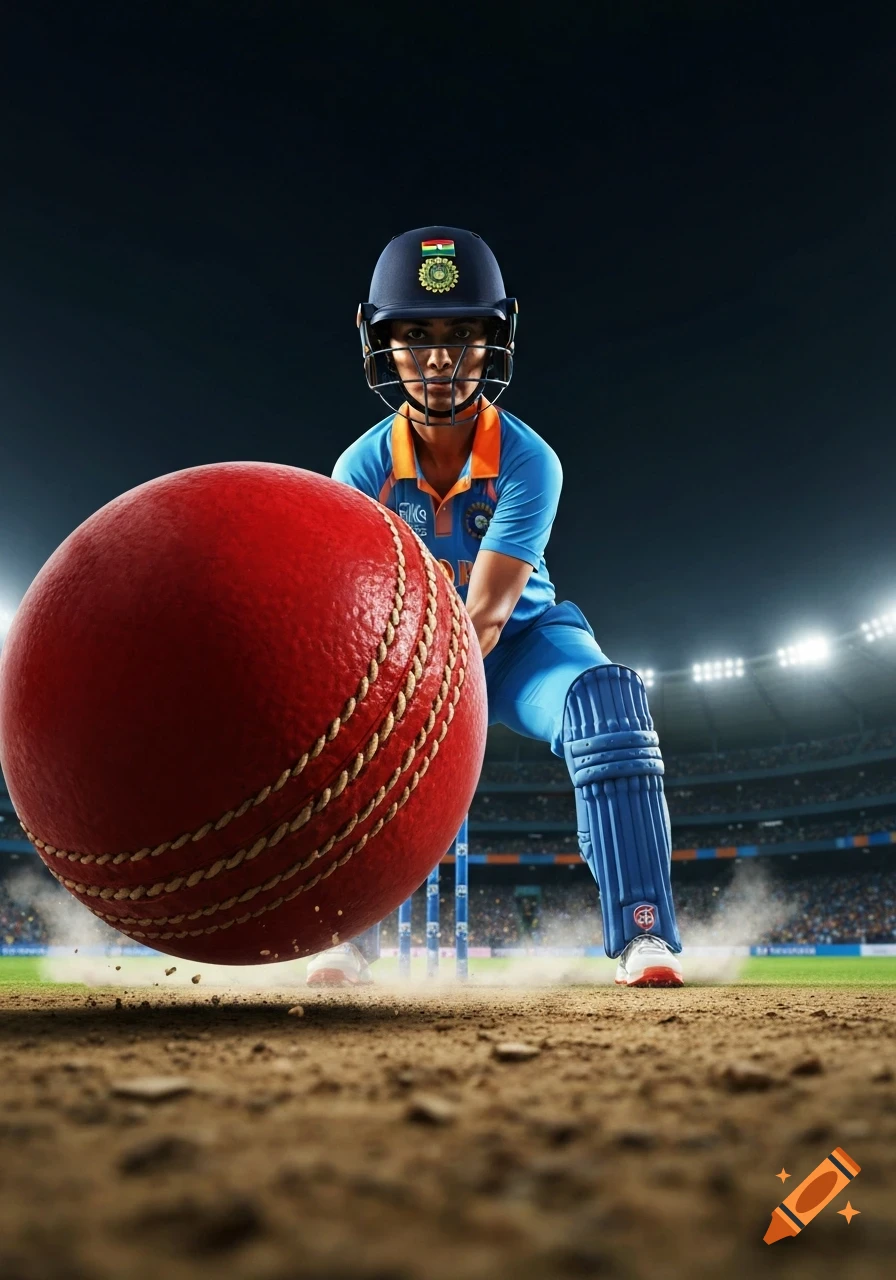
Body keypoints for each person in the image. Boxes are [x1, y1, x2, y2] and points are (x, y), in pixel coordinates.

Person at [305, 226, 683, 988]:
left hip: (522, 645)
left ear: (495, 338)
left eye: (463, 333)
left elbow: (485, 617)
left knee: (607, 703)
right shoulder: (360, 468)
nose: (440, 357)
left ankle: (644, 936)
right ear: (377, 338)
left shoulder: (528, 459)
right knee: (340, 721)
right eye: (414, 333)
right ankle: (346, 932)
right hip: (412, 650)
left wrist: (435, 713)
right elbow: (362, 611)